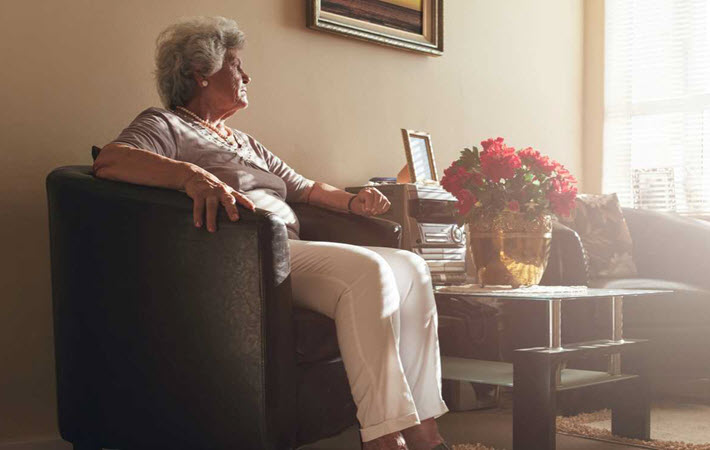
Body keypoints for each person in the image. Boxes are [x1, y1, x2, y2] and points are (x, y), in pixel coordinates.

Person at [93, 16, 449, 450]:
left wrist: (355, 201)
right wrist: (191, 175)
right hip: (243, 255)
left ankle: (425, 432)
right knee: (367, 270)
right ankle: (383, 438)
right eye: (235, 64)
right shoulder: (166, 124)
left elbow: (304, 187)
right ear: (200, 73)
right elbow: (111, 159)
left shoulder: (244, 141)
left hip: (289, 250)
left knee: (412, 266)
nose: (246, 75)